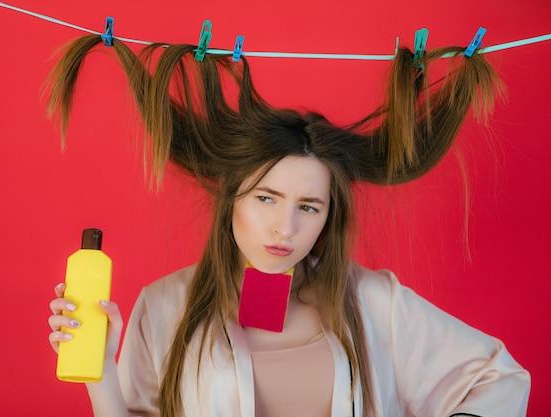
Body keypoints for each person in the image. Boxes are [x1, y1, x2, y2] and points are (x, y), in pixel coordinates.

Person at [46, 34, 531, 417]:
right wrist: (99, 375)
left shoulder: (373, 301)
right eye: (266, 198)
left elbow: (500, 379)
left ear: (328, 217)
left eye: (309, 207)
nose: (284, 228)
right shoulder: (164, 305)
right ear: (231, 199)